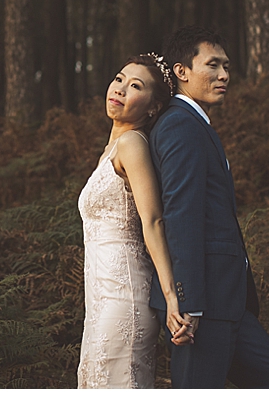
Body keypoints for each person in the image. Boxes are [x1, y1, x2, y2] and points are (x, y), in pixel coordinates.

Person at [148, 26, 269, 388]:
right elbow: (181, 216)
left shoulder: (196, 124)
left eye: (227, 67)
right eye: (213, 65)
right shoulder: (179, 126)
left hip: (229, 300)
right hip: (202, 306)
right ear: (182, 71)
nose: (224, 75)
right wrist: (188, 303)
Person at [77, 54, 193, 389]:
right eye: (119, 79)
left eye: (136, 86)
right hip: (100, 297)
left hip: (123, 297)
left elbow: (154, 221)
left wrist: (173, 298)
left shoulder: (132, 144)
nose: (121, 89)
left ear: (153, 108)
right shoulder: (111, 149)